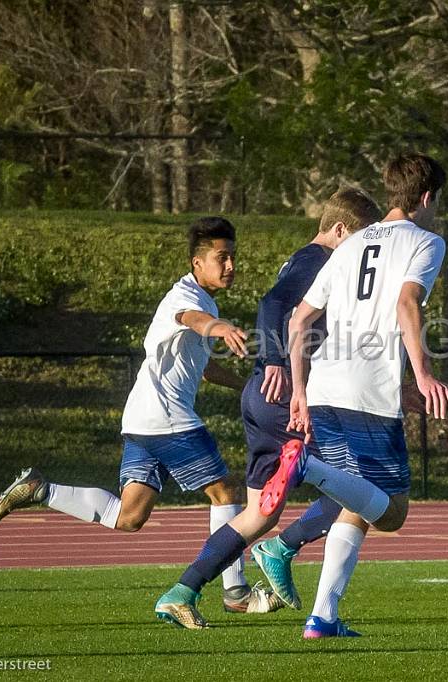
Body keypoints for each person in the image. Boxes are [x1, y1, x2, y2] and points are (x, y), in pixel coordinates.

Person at [0, 216, 272, 614]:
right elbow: (192, 320)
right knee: (225, 492)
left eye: (233, 258)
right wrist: (220, 327)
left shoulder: (203, 299)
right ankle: (236, 593)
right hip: (166, 415)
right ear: (197, 263)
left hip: (141, 418)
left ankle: (40, 489)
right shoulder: (184, 298)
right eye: (221, 258)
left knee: (129, 516)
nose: (231, 266)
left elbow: (205, 368)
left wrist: (246, 387)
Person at [152, 189, 385, 629]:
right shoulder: (320, 259)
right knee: (363, 483)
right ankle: (285, 548)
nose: (363, 247)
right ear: (339, 230)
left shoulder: (306, 259)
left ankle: (180, 591)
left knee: (258, 514)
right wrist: (277, 359)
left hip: (261, 395)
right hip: (283, 392)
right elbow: (273, 304)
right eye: (360, 237)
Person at [277, 152, 448, 638]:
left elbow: (298, 320)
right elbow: (405, 302)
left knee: (358, 502)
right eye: (436, 200)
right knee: (393, 513)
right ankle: (305, 468)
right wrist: (422, 375)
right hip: (366, 397)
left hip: (324, 389)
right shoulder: (427, 242)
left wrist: (299, 389)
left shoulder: (350, 245)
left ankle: (323, 616)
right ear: (425, 198)